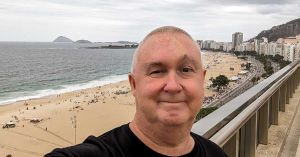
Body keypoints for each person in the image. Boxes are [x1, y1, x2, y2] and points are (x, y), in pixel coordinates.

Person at [45, 26, 228, 157]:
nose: (172, 86)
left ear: (202, 80)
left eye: (186, 70)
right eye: (157, 71)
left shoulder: (217, 153)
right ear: (133, 84)